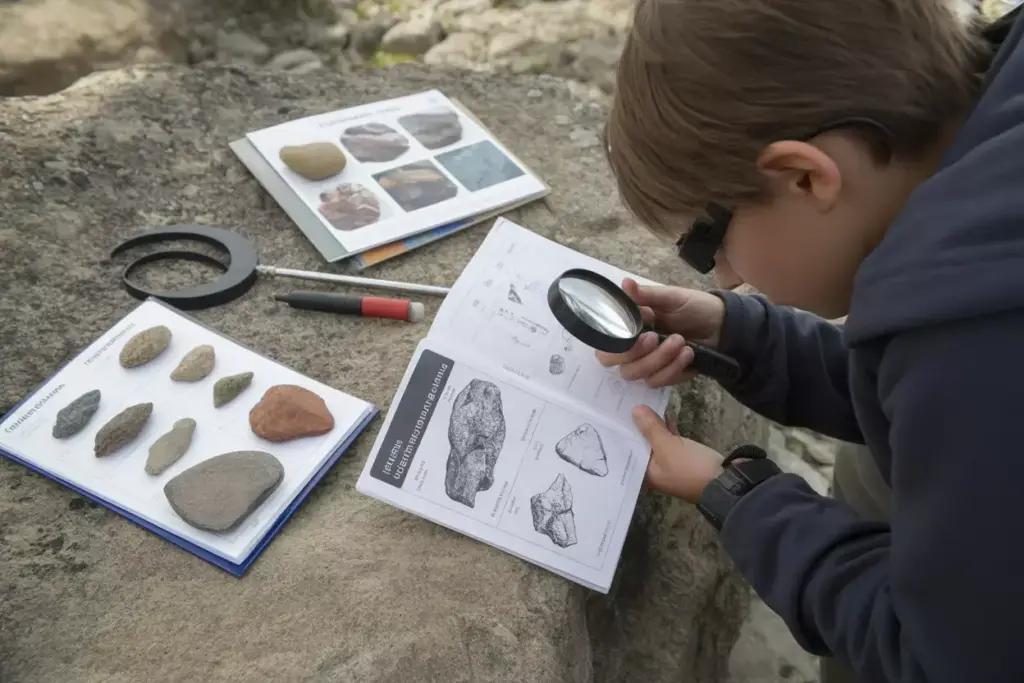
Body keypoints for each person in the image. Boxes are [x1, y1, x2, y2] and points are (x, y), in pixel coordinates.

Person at [596, 1, 1024, 682]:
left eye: (707, 245)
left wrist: (741, 499)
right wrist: (739, 331)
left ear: (806, 176)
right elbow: (922, 391)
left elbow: (943, 657)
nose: (730, 275)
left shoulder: (967, 343)